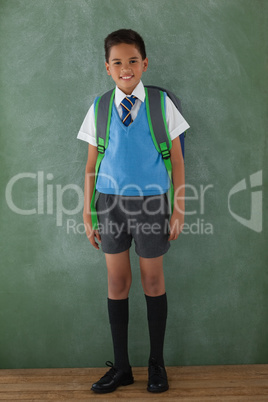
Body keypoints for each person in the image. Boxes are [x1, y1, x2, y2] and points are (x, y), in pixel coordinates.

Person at [77, 29, 190, 394]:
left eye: (132, 61)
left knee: (153, 281)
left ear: (145, 63)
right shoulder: (99, 107)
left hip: (153, 203)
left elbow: (177, 158)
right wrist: (87, 212)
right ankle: (122, 367)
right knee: (117, 283)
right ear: (107, 68)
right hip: (109, 205)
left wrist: (179, 208)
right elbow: (92, 162)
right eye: (117, 63)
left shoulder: (160, 104)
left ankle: (156, 364)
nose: (125, 68)